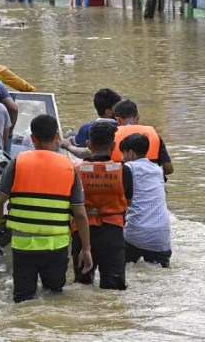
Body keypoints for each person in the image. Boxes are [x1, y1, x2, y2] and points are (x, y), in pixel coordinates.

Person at [0, 114, 93, 303]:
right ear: (57, 137)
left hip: (23, 245)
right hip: (57, 245)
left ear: (32, 139)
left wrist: (1, 222)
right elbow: (80, 213)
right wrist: (86, 249)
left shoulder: (18, 162)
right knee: (54, 296)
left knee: (23, 299)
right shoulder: (69, 167)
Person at [71, 121, 133, 291]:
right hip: (112, 234)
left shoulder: (75, 170)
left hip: (82, 234)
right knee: (114, 290)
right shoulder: (123, 171)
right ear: (113, 146)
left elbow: (70, 205)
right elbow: (128, 202)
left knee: (82, 286)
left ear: (89, 144)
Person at [119, 133, 172, 267]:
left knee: (123, 268)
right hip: (161, 236)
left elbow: (122, 200)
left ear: (130, 153)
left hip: (135, 233)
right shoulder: (157, 169)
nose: (122, 158)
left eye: (123, 153)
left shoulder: (127, 168)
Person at [111, 99, 173, 177]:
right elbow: (168, 169)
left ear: (118, 120)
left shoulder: (110, 137)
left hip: (122, 183)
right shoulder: (155, 136)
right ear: (137, 117)